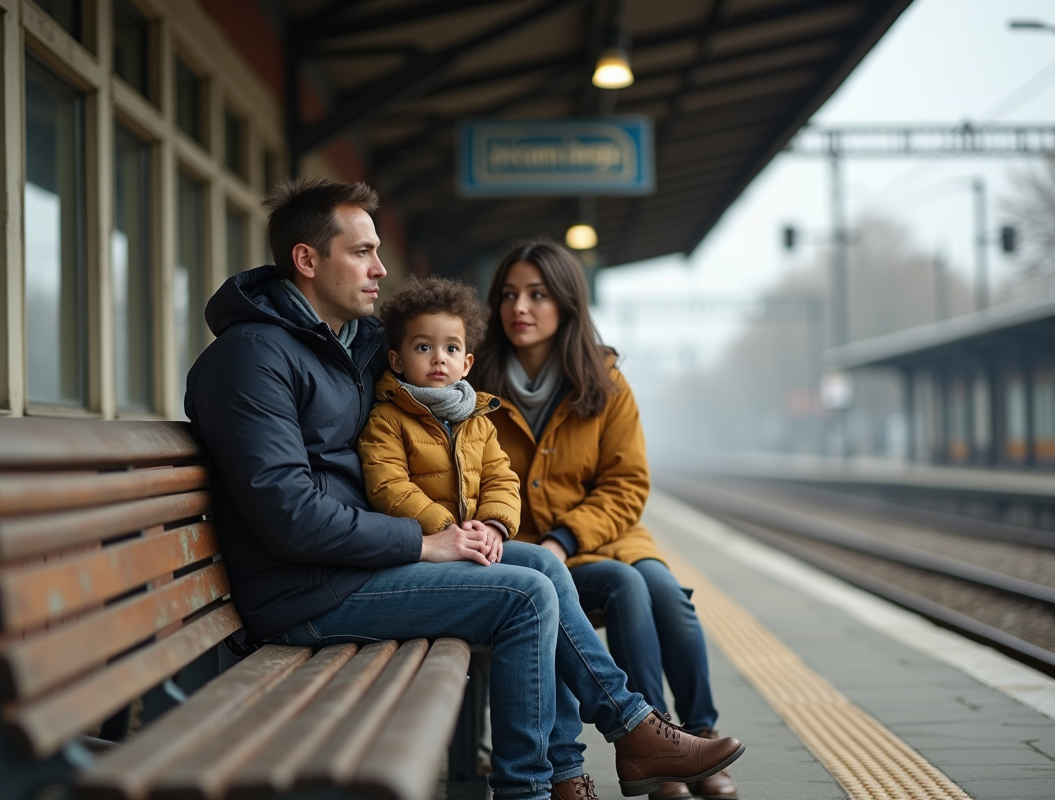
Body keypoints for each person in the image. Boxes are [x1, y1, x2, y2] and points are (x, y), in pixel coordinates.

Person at [184, 178, 744, 800]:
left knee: (540, 566)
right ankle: (539, 784)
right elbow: (289, 514)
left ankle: (602, 750)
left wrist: (481, 525)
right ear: (307, 260)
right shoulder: (251, 359)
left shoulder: (346, 347)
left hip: (345, 569)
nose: (380, 268)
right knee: (525, 595)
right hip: (304, 595)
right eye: (363, 252)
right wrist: (427, 543)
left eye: (378, 251)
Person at [473, 240, 739, 800]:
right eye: (509, 295)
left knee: (665, 592)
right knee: (624, 586)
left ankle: (696, 732)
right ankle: (657, 749)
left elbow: (626, 483)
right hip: (526, 547)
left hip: (603, 535)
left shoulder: (605, 382)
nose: (520, 308)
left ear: (567, 304)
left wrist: (566, 536)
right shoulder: (476, 385)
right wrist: (535, 542)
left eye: (538, 295)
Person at [357, 275, 519, 550]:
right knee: (531, 576)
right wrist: (445, 528)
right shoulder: (386, 419)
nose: (439, 358)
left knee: (546, 563)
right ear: (397, 361)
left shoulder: (478, 421)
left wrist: (493, 525)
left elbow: (500, 478)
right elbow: (388, 486)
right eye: (424, 347)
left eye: (451, 348)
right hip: (428, 544)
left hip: (476, 536)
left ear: (466, 364)